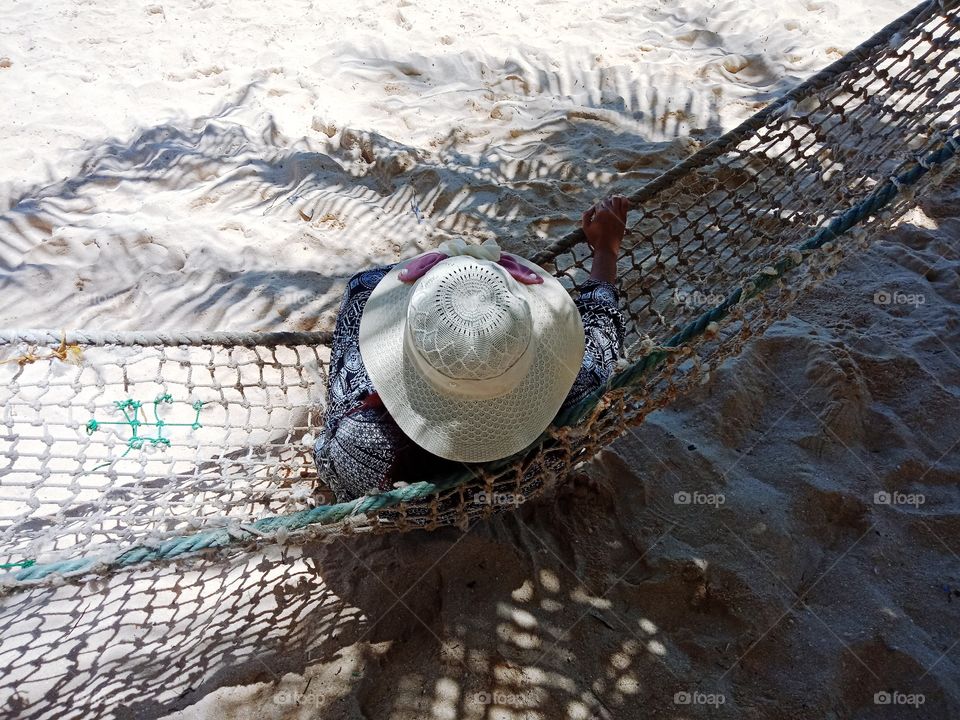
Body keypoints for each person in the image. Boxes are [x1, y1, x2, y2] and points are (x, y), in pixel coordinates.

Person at [314, 196, 630, 502]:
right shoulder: (577, 397)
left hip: (410, 511)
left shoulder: (357, 440)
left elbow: (364, 286)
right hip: (511, 491)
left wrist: (438, 275)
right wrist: (606, 251)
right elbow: (601, 324)